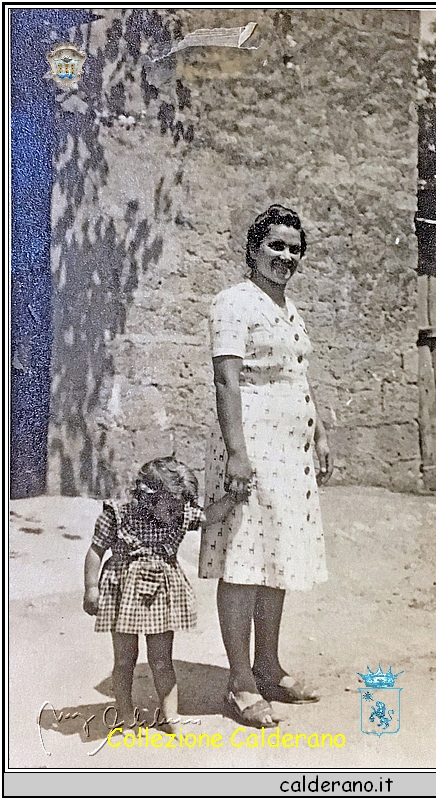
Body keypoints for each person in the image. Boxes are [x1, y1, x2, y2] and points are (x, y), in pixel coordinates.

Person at [199, 204, 333, 728]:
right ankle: (239, 683)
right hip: (251, 443)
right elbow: (226, 381)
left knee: (275, 556)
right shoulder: (233, 302)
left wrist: (318, 432)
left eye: (294, 249)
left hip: (290, 450)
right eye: (276, 246)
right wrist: (236, 453)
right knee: (243, 560)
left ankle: (269, 666)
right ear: (254, 248)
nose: (286, 256)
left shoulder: (288, 308)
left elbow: (297, 377)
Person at [83, 456, 247, 731]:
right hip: (121, 593)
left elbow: (209, 515)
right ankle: (125, 712)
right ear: (148, 498)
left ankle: (171, 715)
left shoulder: (179, 512)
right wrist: (91, 588)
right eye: (170, 507)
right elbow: (95, 550)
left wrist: (232, 499)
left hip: (160, 594)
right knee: (124, 660)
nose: (176, 513)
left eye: (180, 507)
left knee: (161, 661)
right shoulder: (117, 514)